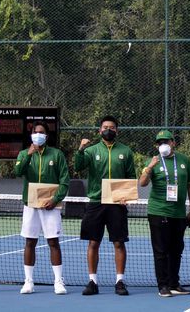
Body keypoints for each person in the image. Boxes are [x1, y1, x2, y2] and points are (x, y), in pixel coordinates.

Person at [74, 115, 136, 296]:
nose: (108, 129)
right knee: (94, 242)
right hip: (96, 202)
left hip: (117, 203)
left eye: (112, 127)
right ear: (99, 130)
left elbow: (131, 177)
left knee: (119, 242)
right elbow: (78, 167)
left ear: (117, 130)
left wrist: (127, 197)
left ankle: (120, 281)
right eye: (105, 127)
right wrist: (80, 149)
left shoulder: (126, 151)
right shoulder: (91, 151)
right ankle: (92, 281)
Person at [14, 121, 70, 295]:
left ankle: (58, 282)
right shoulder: (24, 154)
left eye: (41, 132)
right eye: (35, 131)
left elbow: (64, 181)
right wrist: (28, 155)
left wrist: (55, 199)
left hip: (50, 206)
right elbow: (17, 172)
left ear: (46, 136)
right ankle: (28, 282)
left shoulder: (57, 154)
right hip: (30, 204)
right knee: (30, 241)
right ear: (31, 135)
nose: (38, 134)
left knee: (53, 241)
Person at [139, 130, 190, 298]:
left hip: (178, 214)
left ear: (173, 143)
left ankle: (174, 284)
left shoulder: (184, 160)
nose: (163, 144)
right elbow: (142, 183)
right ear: (157, 146)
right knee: (161, 250)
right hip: (158, 211)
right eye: (160, 142)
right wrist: (149, 167)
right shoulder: (153, 162)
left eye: (166, 141)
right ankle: (163, 285)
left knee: (176, 249)